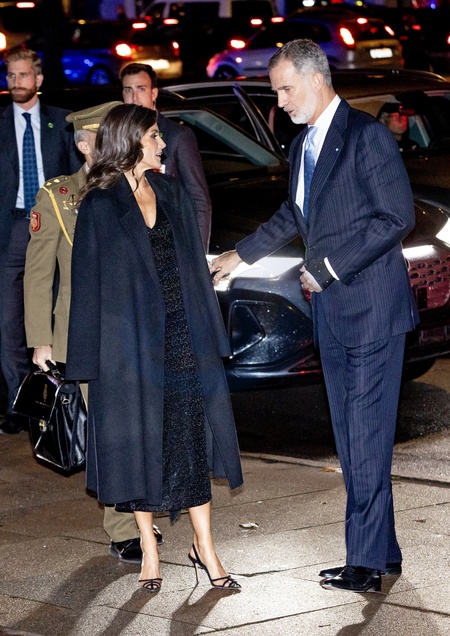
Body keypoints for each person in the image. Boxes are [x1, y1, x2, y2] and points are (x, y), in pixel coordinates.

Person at [211, 39, 419, 593]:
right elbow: (293, 214)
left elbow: (395, 217)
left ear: (316, 78)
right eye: (276, 91)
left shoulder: (366, 136)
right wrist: (240, 255)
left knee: (364, 437)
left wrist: (326, 269)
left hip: (371, 311)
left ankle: (364, 564)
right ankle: (383, 551)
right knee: (353, 437)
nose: (279, 102)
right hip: (332, 313)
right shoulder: (304, 143)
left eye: (285, 89)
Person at [66, 104, 243, 591]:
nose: (163, 145)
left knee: (190, 440)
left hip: (182, 338)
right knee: (141, 446)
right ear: (131, 141)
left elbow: (194, 269)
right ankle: (148, 546)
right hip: (128, 349)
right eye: (154, 137)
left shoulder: (171, 192)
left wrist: (211, 333)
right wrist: (86, 362)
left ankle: (205, 546)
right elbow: (87, 287)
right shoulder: (100, 204)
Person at [0, 46, 81, 434]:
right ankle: (21, 405)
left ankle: (61, 403)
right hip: (11, 229)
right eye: (10, 75)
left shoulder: (61, 122)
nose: (16, 82)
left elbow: (78, 176)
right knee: (8, 322)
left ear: (39, 79)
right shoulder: (0, 123)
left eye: (23, 75)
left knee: (56, 313)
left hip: (55, 227)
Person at [120, 62, 211, 251]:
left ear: (154, 93)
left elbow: (198, 199)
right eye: (128, 90)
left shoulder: (177, 136)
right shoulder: (118, 137)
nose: (134, 97)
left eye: (141, 89)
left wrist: (198, 253)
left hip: (170, 242)